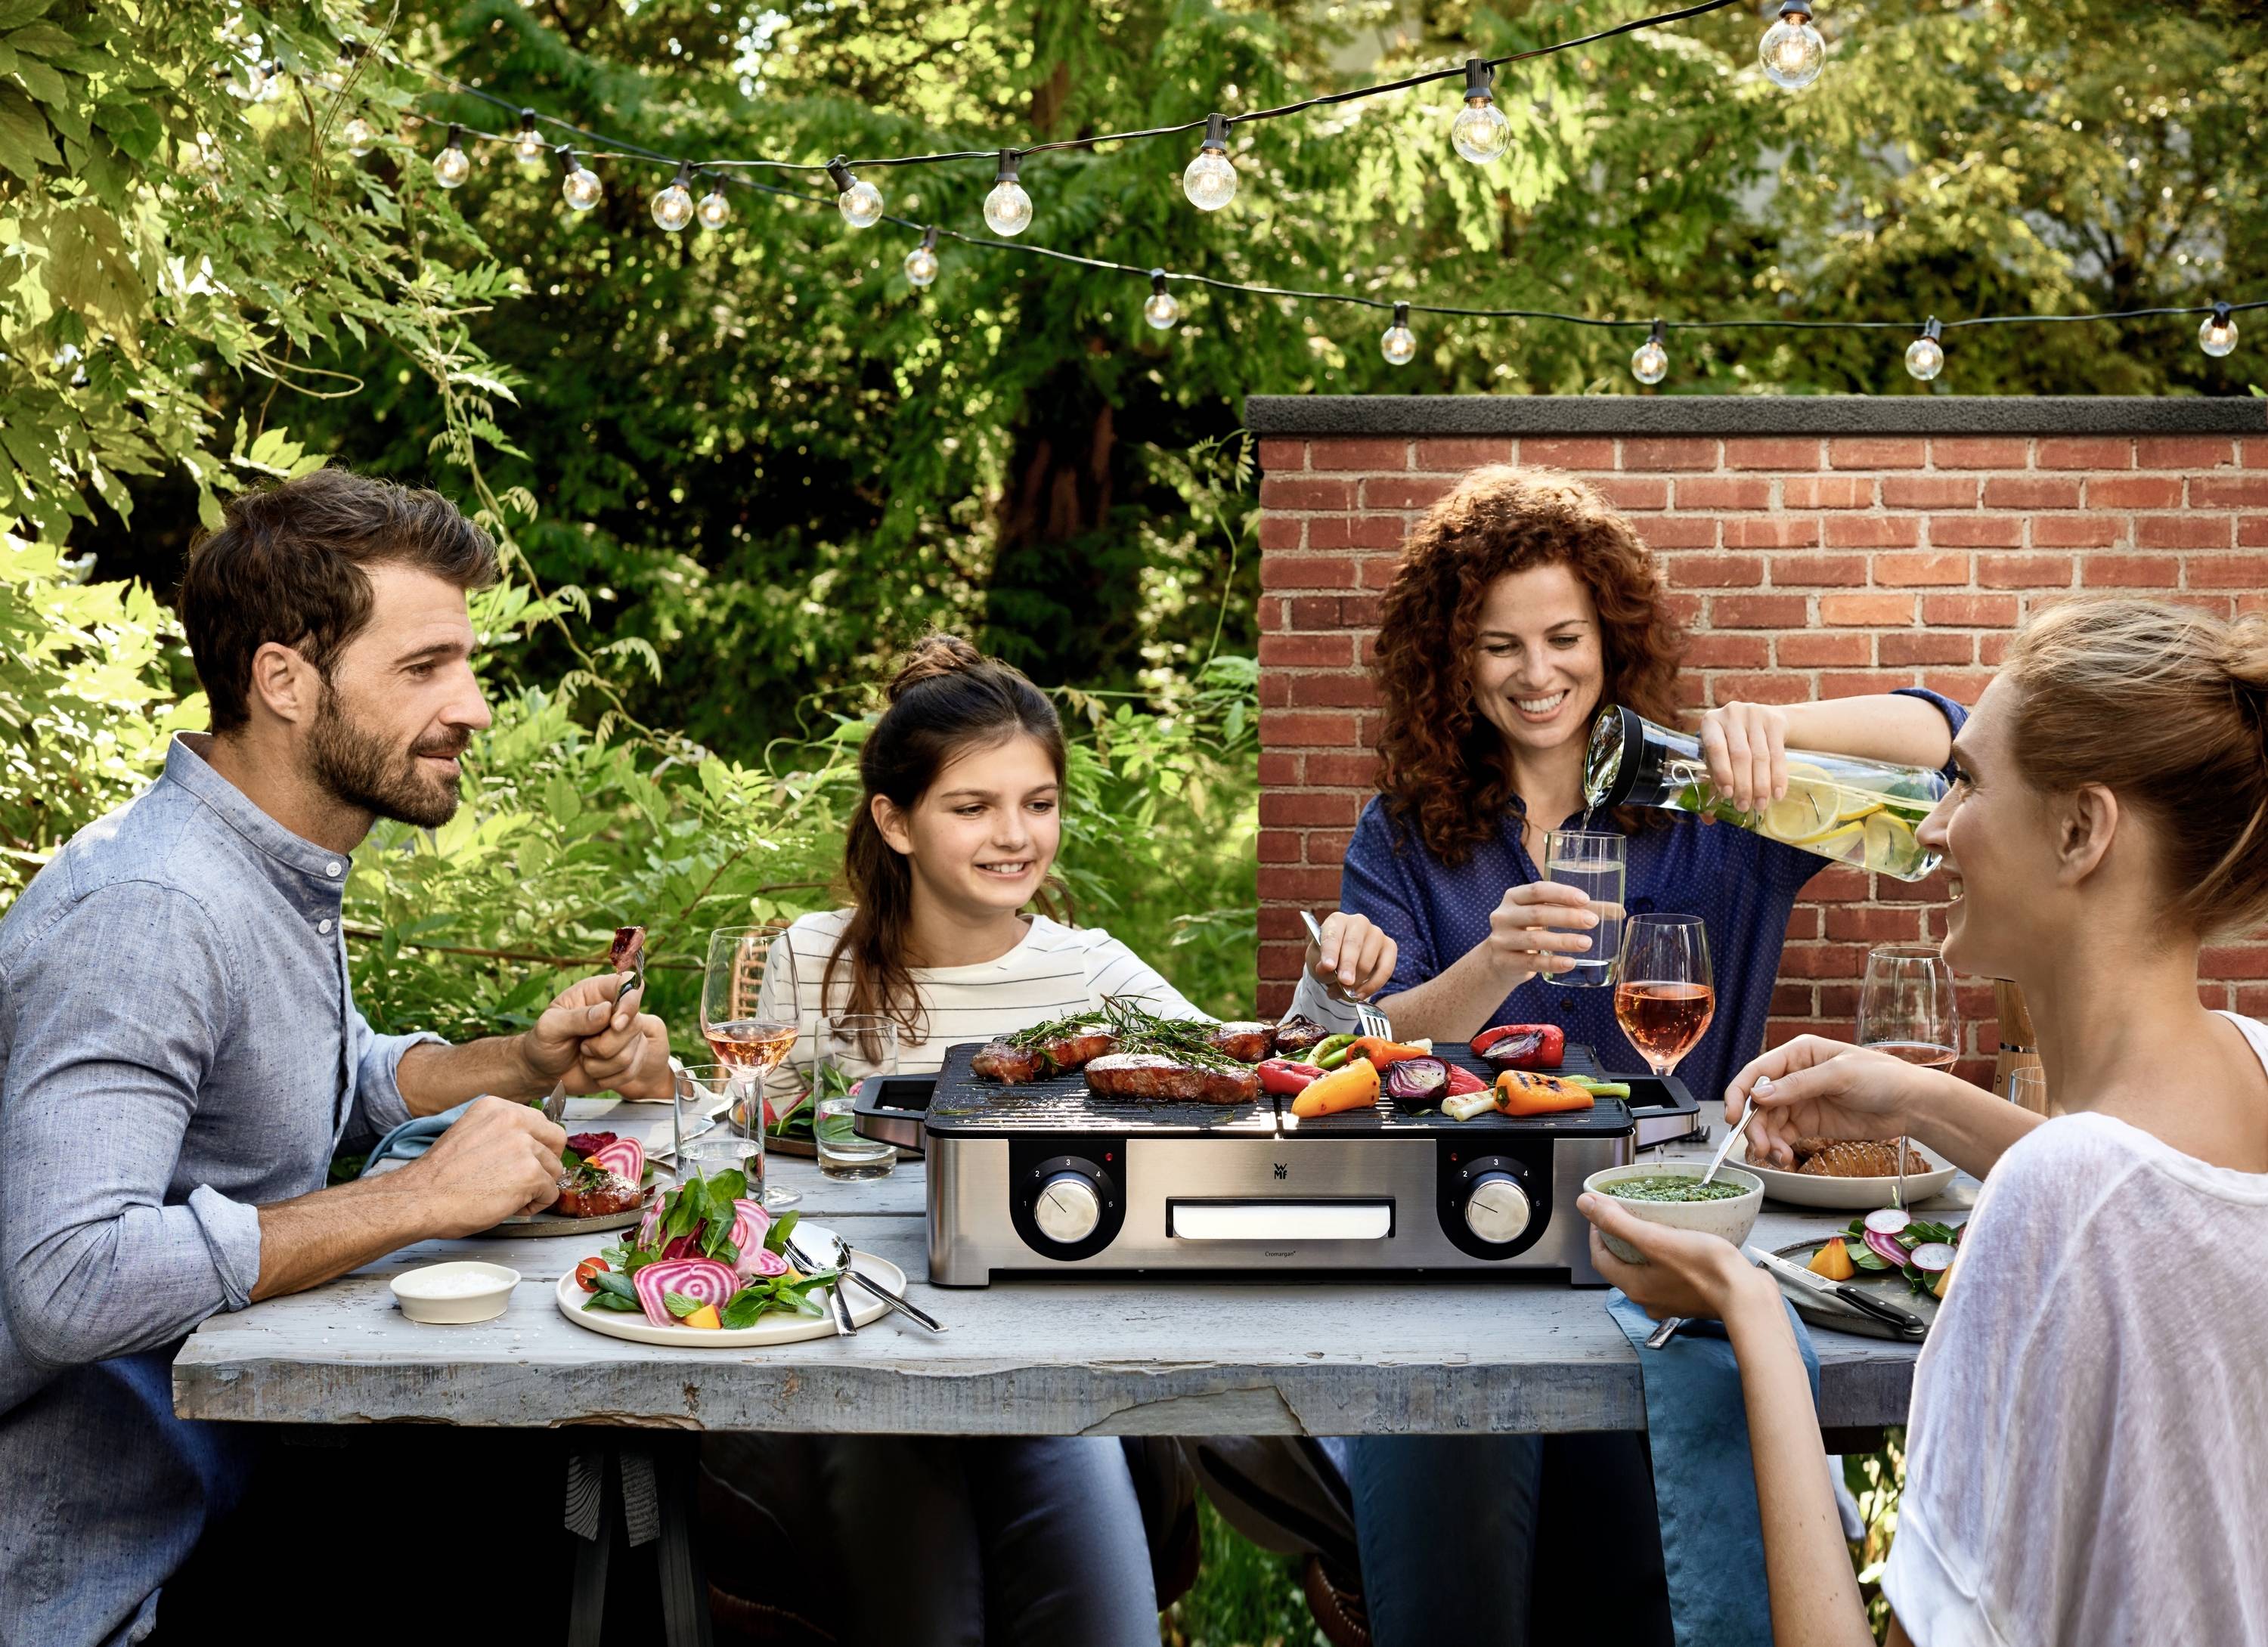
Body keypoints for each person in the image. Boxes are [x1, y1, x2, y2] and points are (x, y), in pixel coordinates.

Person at [0, 469, 673, 1647]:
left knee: (588, 1501)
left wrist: (522, 1057)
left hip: (247, 1462)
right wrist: (415, 1196)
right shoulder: (152, 908)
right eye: (423, 670)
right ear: (284, 682)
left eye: (465, 665)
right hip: (114, 1566)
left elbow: (332, 1079)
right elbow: (66, 1278)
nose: (471, 708)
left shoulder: (266, 868)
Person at [1325, 466, 1969, 1646]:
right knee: (1453, 1490)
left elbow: (1948, 742)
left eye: (1564, 637)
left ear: (1608, 640)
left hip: (1669, 1228)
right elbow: (1370, 1047)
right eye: (1498, 646)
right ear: (1451, 662)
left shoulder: (1710, 802)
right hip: (1475, 1227)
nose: (1536, 673)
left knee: (1636, 1558)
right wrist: (1492, 967)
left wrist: (1772, 731)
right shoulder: (1407, 830)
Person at [1582, 596, 2268, 1646]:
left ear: (2082, 831)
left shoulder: (2060, 1205)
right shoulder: (2248, 1062)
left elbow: (2090, 1199)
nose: (1932, 827)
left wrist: (1749, 1305)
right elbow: (2155, 1204)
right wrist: (1913, 1095)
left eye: (1967, 783)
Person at [700, 634, 1396, 1647]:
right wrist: (696, 1097)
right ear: (894, 821)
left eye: (1039, 803)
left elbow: (1249, 1076)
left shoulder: (1090, 972)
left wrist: (1334, 987)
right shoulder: (814, 962)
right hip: (874, 1351)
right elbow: (751, 1136)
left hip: (1053, 1350)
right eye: (972, 807)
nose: (1014, 835)